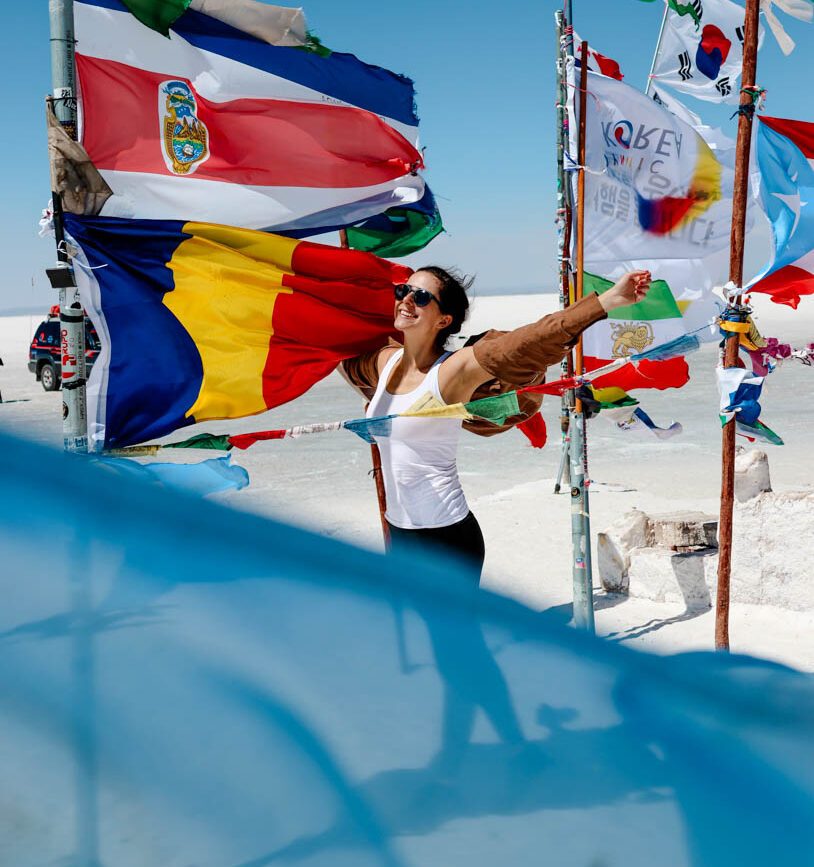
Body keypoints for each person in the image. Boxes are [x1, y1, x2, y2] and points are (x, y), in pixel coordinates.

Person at [343, 266, 651, 582]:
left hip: (445, 536)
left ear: (443, 320)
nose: (406, 300)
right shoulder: (385, 361)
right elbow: (336, 354)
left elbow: (526, 342)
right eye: (402, 291)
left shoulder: (452, 371)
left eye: (420, 296)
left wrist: (608, 300)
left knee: (453, 632)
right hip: (399, 531)